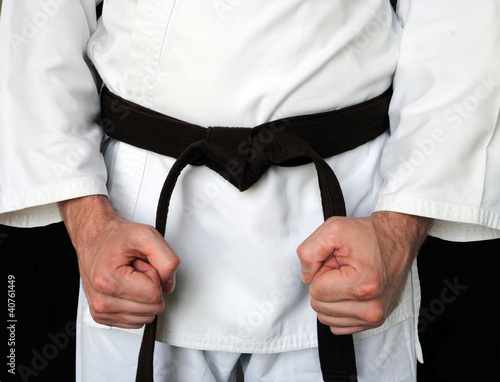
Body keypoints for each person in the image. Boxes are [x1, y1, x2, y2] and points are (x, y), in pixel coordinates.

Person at [1, 1, 499, 381]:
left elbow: (460, 20)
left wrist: (397, 232)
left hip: (350, 229)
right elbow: (40, 22)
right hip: (139, 229)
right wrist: (90, 224)